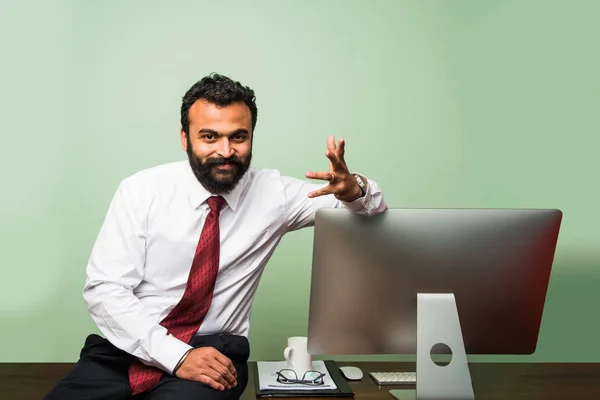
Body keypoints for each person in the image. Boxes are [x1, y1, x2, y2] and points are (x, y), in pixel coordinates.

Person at [44, 73, 387, 400]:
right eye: (209, 136)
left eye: (238, 136)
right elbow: (105, 290)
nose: (225, 151)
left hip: (215, 352)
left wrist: (354, 189)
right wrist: (176, 356)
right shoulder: (140, 191)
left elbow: (366, 212)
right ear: (184, 138)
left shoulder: (274, 195)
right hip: (126, 348)